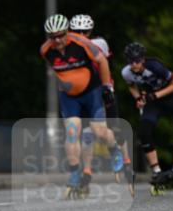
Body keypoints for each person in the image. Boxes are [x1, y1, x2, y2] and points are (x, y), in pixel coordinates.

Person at [40, 14, 123, 199]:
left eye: (60, 35)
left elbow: (102, 61)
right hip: (69, 96)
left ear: (67, 32)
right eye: (52, 37)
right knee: (72, 132)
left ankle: (114, 149)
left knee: (99, 131)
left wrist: (107, 87)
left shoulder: (81, 43)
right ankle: (75, 173)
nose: (57, 40)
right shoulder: (46, 50)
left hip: (91, 92)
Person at [121, 42, 173, 194]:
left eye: (137, 61)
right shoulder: (126, 72)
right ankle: (157, 171)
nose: (134, 64)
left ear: (143, 59)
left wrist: (156, 95)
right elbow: (131, 85)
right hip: (153, 101)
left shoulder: (155, 66)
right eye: (131, 61)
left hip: (171, 96)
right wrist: (138, 97)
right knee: (144, 131)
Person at [69, 13, 134, 194]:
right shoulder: (69, 48)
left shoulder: (99, 43)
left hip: (103, 90)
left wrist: (107, 88)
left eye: (84, 32)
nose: (81, 35)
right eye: (77, 32)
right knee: (87, 133)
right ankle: (87, 172)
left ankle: (126, 162)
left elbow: (104, 65)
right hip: (86, 93)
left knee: (114, 127)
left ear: (90, 31)